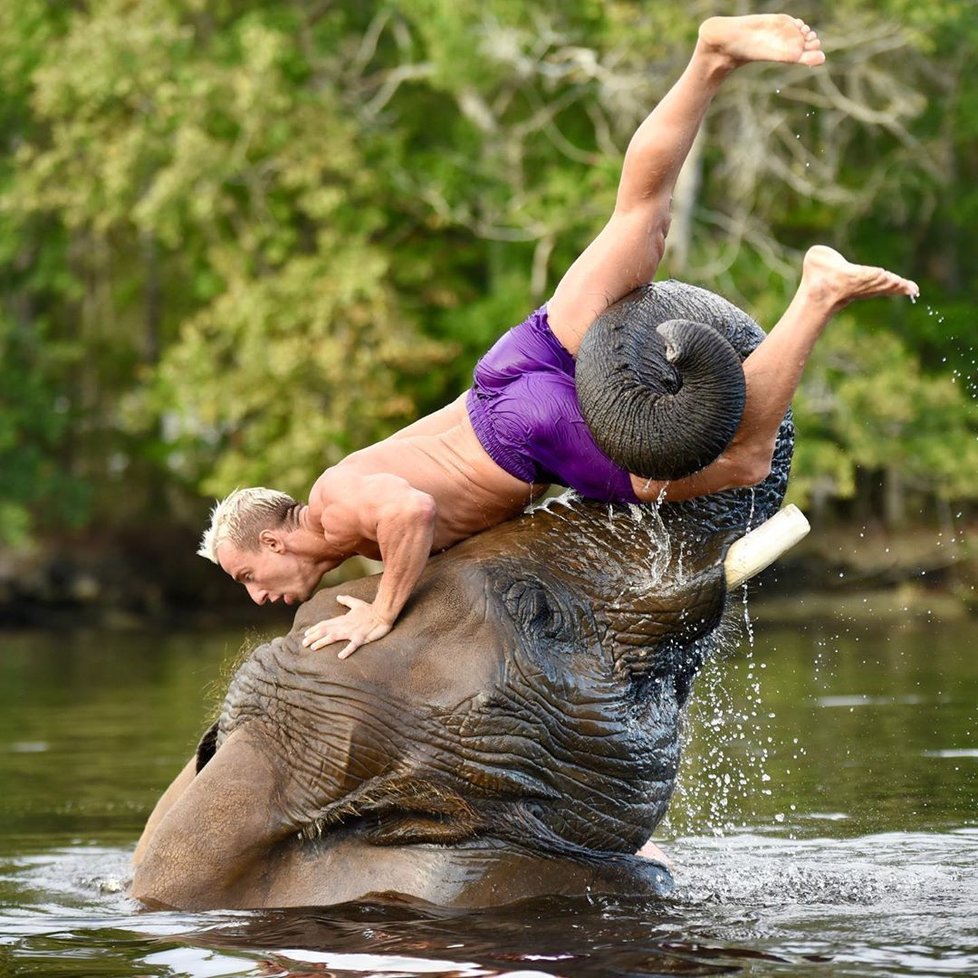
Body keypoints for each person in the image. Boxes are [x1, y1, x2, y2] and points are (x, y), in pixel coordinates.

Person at [198, 14, 918, 659]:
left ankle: (817, 292)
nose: (257, 596)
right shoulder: (349, 498)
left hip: (525, 432)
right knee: (640, 218)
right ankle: (711, 57)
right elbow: (428, 466)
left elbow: (413, 510)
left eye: (249, 576)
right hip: (505, 376)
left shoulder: (334, 507)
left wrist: (384, 613)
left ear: (272, 540)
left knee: (744, 461)